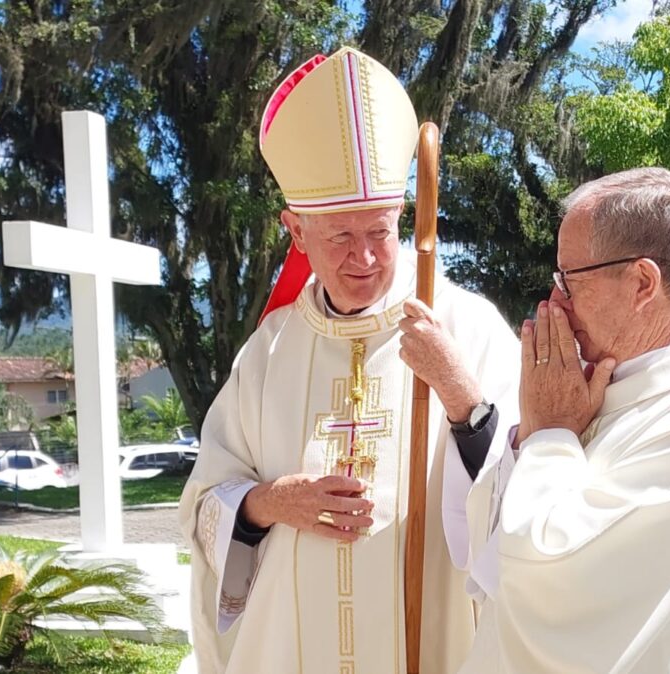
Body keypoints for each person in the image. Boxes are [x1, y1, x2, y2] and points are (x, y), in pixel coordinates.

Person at [175, 47, 520, 674]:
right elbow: (204, 506)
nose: (363, 257)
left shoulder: (465, 325)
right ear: (296, 232)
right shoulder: (269, 349)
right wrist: (269, 503)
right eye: (339, 236)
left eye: (379, 232)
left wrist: (459, 392)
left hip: (435, 645)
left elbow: (526, 492)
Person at [449, 167, 670, 674]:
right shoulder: (608, 385)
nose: (554, 299)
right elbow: (496, 569)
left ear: (642, 283)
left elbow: (552, 581)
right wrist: (529, 438)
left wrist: (553, 435)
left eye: (569, 278)